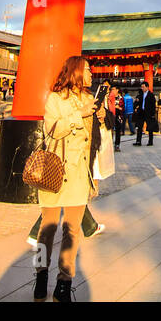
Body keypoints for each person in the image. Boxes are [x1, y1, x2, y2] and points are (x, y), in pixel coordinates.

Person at [33, 56, 105, 302]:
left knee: (72, 229)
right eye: (87, 69)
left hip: (78, 172)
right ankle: (40, 273)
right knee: (47, 228)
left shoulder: (89, 99)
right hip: (54, 170)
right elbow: (51, 129)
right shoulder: (55, 99)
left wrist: (102, 118)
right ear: (75, 71)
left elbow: (92, 140)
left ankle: (64, 282)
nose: (91, 73)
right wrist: (79, 114)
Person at [133, 80, 157, 147]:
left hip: (148, 113)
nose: (142, 88)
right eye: (141, 87)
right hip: (141, 112)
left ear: (147, 87)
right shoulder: (140, 95)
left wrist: (153, 114)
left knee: (150, 128)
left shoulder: (151, 95)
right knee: (139, 127)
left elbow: (153, 105)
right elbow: (136, 102)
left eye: (143, 87)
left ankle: (150, 141)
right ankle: (138, 141)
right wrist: (135, 106)